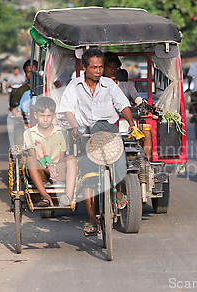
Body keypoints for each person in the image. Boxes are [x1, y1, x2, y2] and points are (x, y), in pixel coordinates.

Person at [58, 48, 143, 236]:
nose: (98, 71)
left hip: (108, 131)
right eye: (94, 67)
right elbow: (68, 110)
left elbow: (123, 105)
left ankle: (118, 192)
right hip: (86, 134)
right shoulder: (74, 85)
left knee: (119, 163)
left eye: (101, 67)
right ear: (85, 68)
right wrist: (74, 127)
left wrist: (131, 123)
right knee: (88, 177)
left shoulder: (109, 85)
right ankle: (92, 220)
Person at [23, 97, 75, 207]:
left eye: (48, 116)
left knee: (71, 158)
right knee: (30, 160)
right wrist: (48, 170)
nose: (45, 119)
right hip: (40, 171)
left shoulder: (61, 132)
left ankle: (68, 197)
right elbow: (34, 157)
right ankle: (45, 196)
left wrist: (56, 169)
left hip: (58, 170)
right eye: (42, 116)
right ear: (36, 115)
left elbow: (62, 156)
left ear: (54, 116)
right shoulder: (29, 133)